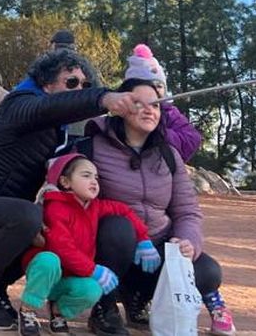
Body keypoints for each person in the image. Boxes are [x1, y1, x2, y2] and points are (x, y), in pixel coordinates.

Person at [0, 49, 141, 330]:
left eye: (84, 86)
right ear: (46, 83)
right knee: (28, 217)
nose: (78, 89)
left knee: (44, 227)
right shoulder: (19, 104)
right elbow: (44, 109)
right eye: (71, 82)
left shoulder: (57, 132)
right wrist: (102, 97)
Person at [73, 78, 236, 336]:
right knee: (119, 227)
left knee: (207, 272)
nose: (150, 110)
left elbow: (187, 210)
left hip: (157, 249)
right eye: (140, 103)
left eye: (157, 105)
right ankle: (104, 308)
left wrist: (187, 240)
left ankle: (137, 298)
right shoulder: (92, 148)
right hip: (108, 249)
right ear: (120, 106)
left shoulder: (169, 154)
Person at [15, 153, 156, 336]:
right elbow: (61, 248)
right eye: (86, 175)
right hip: (46, 274)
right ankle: (28, 310)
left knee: (92, 289)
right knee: (49, 260)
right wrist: (93, 270)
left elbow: (124, 210)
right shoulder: (55, 207)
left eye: (96, 177)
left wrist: (143, 238)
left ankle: (58, 312)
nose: (94, 181)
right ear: (65, 182)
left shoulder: (95, 206)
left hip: (69, 278)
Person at [122, 44, 203, 160]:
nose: (155, 91)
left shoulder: (170, 112)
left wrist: (157, 130)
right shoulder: (123, 107)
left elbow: (192, 139)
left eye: (159, 86)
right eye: (148, 85)